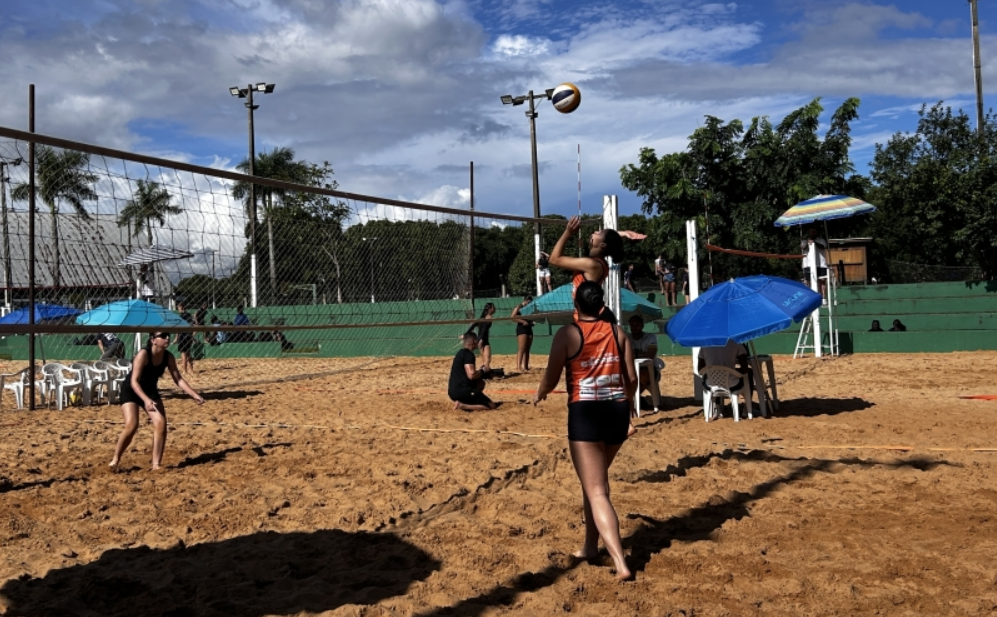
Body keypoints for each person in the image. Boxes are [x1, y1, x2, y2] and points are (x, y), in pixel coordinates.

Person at [533, 281, 636, 581]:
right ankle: (590, 546)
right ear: (601, 305)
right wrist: (628, 406)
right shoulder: (618, 333)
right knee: (593, 484)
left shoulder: (568, 334)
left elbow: (551, 377)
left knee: (597, 490)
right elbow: (631, 379)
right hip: (617, 411)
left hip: (586, 412)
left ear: (576, 305)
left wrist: (540, 392)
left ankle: (620, 563)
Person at [109, 331, 204, 471]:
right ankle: (115, 459)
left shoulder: (168, 356)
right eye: (163, 336)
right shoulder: (143, 354)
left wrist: (194, 394)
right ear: (153, 340)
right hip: (132, 390)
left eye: (168, 335)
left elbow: (178, 379)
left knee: (161, 423)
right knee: (132, 425)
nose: (167, 338)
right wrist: (146, 400)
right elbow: (134, 381)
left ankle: (156, 465)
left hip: (150, 390)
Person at [548, 216, 624, 318]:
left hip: (588, 318)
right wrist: (623, 234)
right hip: (586, 315)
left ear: (602, 245)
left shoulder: (592, 264)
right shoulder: (599, 263)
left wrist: (568, 232)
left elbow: (554, 259)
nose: (596, 231)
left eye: (599, 233)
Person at [698, 339, 753, 417]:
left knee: (715, 375)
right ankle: (747, 409)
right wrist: (734, 370)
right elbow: (745, 369)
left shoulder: (705, 344)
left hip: (711, 384)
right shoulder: (735, 342)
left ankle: (717, 408)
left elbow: (700, 369)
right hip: (732, 384)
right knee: (749, 373)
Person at [448, 332, 496, 411]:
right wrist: (483, 371)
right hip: (462, 391)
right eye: (477, 340)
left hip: (453, 391)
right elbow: (471, 375)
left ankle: (471, 400)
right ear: (473, 342)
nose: (478, 342)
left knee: (480, 383)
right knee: (491, 405)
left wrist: (482, 373)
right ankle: (463, 405)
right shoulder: (469, 354)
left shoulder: (460, 353)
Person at [628, 315, 663, 413]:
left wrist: (633, 354)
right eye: (632, 325)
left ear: (642, 326)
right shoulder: (627, 338)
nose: (634, 327)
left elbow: (651, 354)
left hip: (650, 371)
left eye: (637, 325)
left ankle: (634, 398)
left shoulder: (650, 337)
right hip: (632, 370)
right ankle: (636, 399)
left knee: (642, 374)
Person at [465, 302, 496, 372]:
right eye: (493, 307)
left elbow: (473, 325)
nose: (495, 309)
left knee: (485, 359)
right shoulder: (489, 317)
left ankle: (484, 371)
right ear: (490, 309)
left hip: (480, 338)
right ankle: (485, 372)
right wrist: (481, 339)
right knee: (487, 359)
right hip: (483, 339)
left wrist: (466, 334)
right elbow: (484, 329)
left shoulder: (482, 317)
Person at [801, 228, 829, 299]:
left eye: (814, 232)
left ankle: (823, 298)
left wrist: (815, 242)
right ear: (808, 233)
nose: (812, 233)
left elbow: (823, 247)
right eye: (811, 232)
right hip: (808, 264)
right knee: (808, 281)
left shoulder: (821, 240)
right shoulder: (804, 241)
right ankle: (810, 298)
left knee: (822, 281)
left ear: (817, 233)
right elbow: (803, 248)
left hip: (821, 264)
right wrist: (808, 243)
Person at [511, 295, 534, 372]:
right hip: (522, 328)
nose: (530, 303)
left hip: (529, 328)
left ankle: (526, 367)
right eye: (529, 301)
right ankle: (519, 367)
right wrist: (522, 321)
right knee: (521, 348)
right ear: (526, 300)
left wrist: (532, 322)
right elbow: (512, 317)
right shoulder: (519, 307)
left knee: (527, 349)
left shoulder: (530, 308)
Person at [176, 302, 195, 373]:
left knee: (183, 353)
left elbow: (178, 328)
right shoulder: (189, 315)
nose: (178, 309)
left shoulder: (180, 316)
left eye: (178, 308)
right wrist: (192, 335)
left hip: (182, 336)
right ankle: (191, 369)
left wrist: (176, 338)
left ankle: (185, 370)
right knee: (188, 353)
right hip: (188, 336)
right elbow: (193, 325)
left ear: (181, 307)